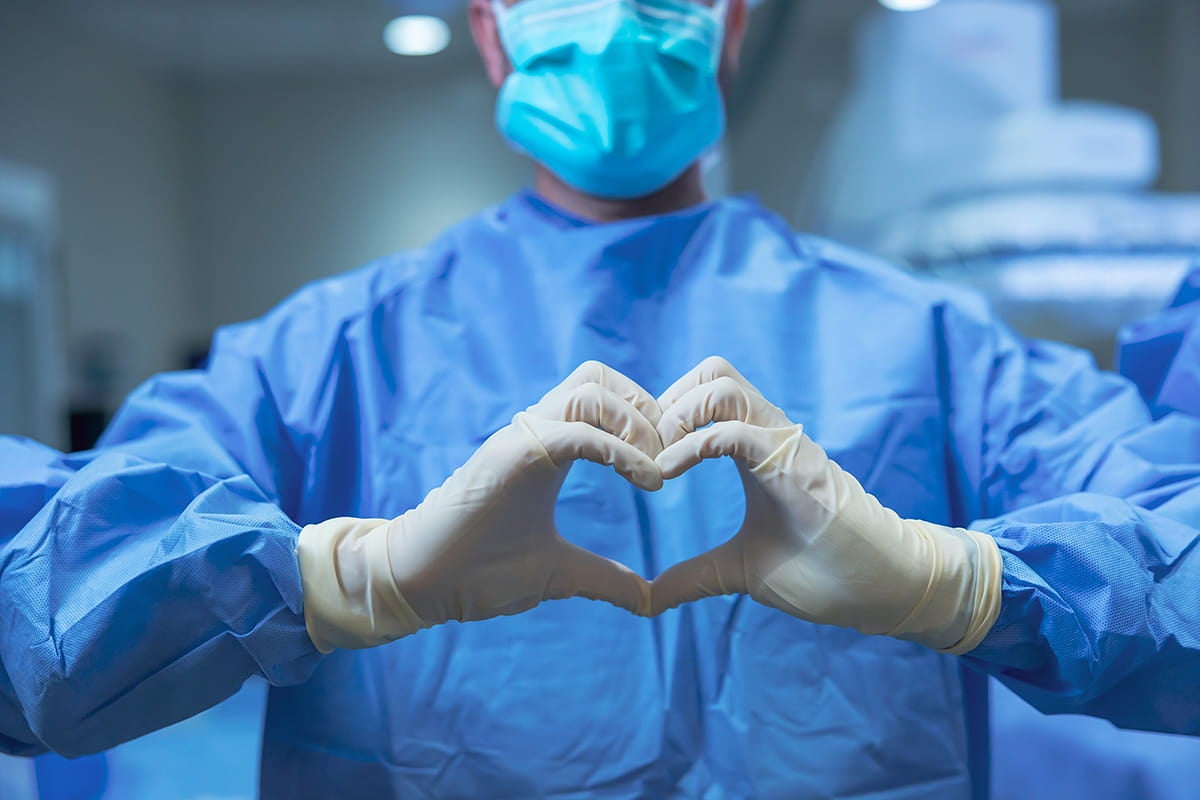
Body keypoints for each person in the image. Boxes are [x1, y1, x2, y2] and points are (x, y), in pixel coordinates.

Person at [2, 0, 1199, 797]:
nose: (619, 14)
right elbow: (32, 615)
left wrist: (970, 585)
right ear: (490, 28)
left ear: (732, 18)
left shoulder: (942, 351)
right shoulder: (321, 359)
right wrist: (330, 578)